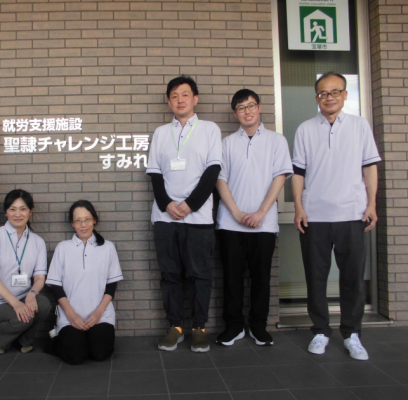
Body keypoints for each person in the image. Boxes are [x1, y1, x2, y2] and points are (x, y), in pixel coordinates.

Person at [292, 72, 381, 360]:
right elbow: (298, 172)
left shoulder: (359, 125)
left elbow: (369, 166)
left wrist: (371, 204)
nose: (328, 97)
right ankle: (320, 331)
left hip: (352, 213)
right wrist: (299, 207)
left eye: (334, 92)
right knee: (315, 278)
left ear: (344, 95)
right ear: (316, 98)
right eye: (323, 93)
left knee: (352, 278)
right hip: (314, 215)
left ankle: (352, 334)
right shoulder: (305, 129)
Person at [146, 75, 222, 352]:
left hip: (199, 218)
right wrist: (167, 204)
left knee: (200, 274)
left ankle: (199, 328)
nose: (180, 100)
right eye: (175, 96)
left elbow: (213, 170)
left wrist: (190, 205)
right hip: (165, 218)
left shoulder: (209, 129)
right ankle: (175, 327)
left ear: (195, 99)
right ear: (169, 102)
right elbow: (155, 173)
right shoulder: (160, 133)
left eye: (185, 94)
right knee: (170, 274)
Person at [215, 89, 293, 347]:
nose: (246, 111)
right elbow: (220, 179)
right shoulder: (226, 144)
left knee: (261, 278)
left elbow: (280, 178)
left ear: (259, 107)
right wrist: (236, 213)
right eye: (241, 107)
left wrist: (261, 212)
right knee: (231, 278)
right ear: (235, 113)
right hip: (230, 223)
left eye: (250, 106)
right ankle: (234, 326)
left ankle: (259, 327)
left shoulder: (276, 141)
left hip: (264, 224)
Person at [45, 200, 123, 365]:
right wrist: (72, 316)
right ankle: (57, 337)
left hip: (101, 315)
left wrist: (98, 313)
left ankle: (86, 339)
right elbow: (56, 286)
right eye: (78, 220)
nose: (83, 225)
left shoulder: (108, 247)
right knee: (75, 356)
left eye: (87, 219)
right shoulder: (63, 248)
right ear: (72, 223)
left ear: (94, 220)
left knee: (101, 354)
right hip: (70, 316)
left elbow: (111, 285)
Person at [0, 189, 51, 354]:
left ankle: (23, 340)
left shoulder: (37, 242)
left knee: (43, 305)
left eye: (23, 209)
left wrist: (31, 294)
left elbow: (40, 277)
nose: (18, 214)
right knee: (25, 317)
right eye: (13, 209)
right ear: (6, 212)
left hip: (23, 297)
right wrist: (17, 304)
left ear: (30, 212)